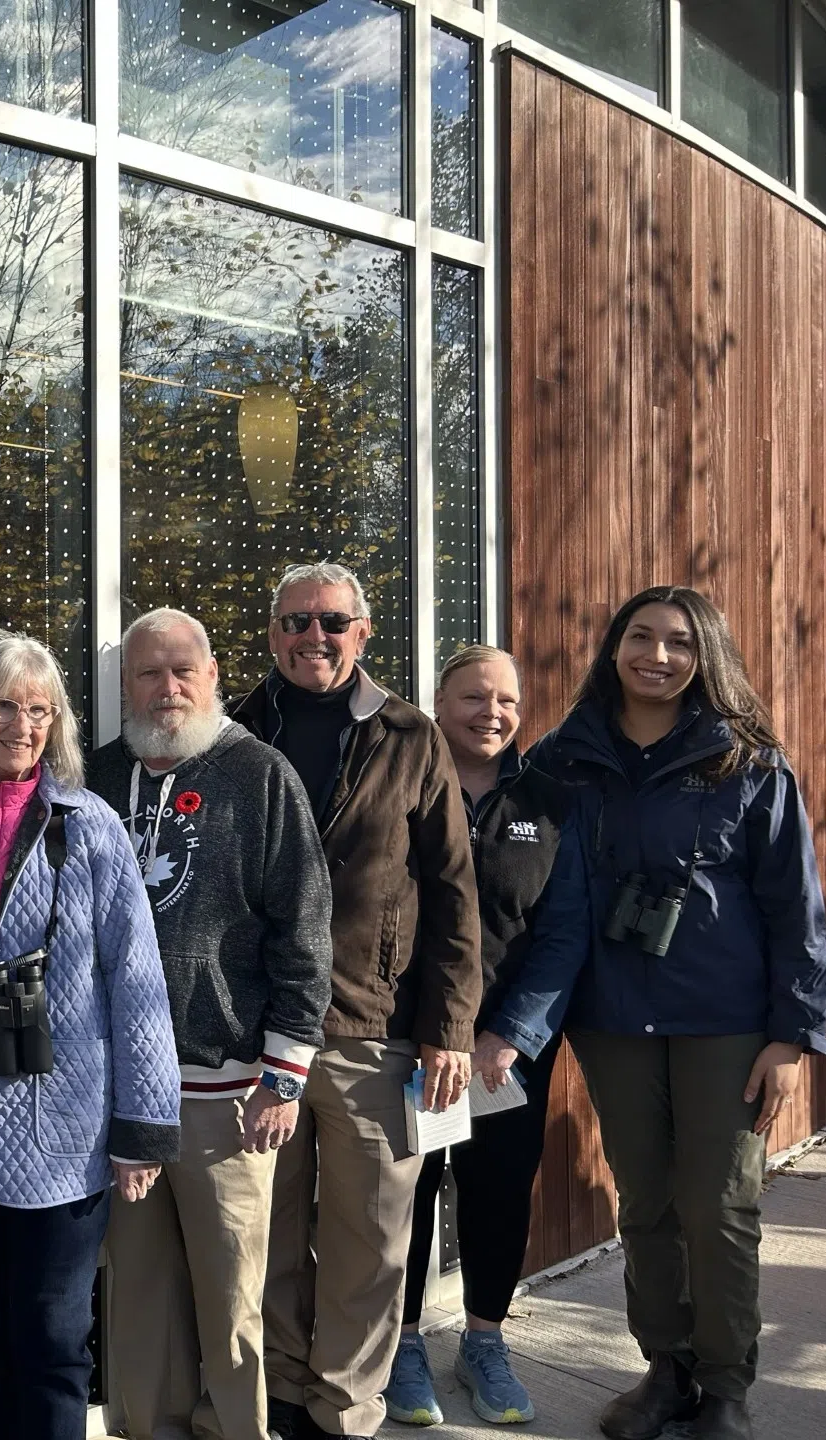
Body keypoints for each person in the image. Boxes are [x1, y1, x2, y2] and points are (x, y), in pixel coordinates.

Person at [528, 586, 826, 1440]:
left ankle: (727, 1388)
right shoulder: (566, 755)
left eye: (678, 643)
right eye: (640, 637)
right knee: (647, 1202)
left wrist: (790, 1033)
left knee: (720, 1204)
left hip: (726, 1020)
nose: (656, 657)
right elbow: (519, 873)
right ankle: (665, 1371)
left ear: (707, 658)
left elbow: (794, 905)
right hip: (614, 1016)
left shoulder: (747, 759)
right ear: (613, 646)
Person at [0, 633, 183, 1440]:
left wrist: (143, 1130)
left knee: (52, 1343)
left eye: (39, 711)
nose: (21, 724)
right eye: (4, 705)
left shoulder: (93, 827)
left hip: (63, 1135)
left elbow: (137, 980)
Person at [228, 562, 481, 1440]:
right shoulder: (236, 731)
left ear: (363, 634)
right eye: (296, 621)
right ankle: (290, 1398)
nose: (315, 637)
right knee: (272, 1238)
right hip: (258, 1039)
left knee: (370, 1245)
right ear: (273, 635)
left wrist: (448, 1028)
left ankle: (348, 1411)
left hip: (375, 1028)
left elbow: (453, 891)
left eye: (333, 622)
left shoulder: (409, 736)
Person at [90, 608, 333, 1440]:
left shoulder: (259, 775)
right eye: (149, 673)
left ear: (213, 674)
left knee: (232, 1299)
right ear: (126, 686)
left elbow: (303, 927)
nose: (168, 688)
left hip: (226, 1091)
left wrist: (284, 1075)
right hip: (119, 1094)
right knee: (140, 1294)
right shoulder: (94, 779)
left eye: (182, 670)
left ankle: (236, 1430)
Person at [385, 645, 592, 1428]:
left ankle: (483, 1341)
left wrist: (509, 1035)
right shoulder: (402, 785)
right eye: (473, 697)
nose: (492, 713)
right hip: (406, 1043)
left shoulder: (550, 802)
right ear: (439, 702)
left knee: (498, 1195)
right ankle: (403, 1346)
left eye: (506, 700)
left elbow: (563, 935)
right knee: (404, 1196)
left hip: (504, 1053)